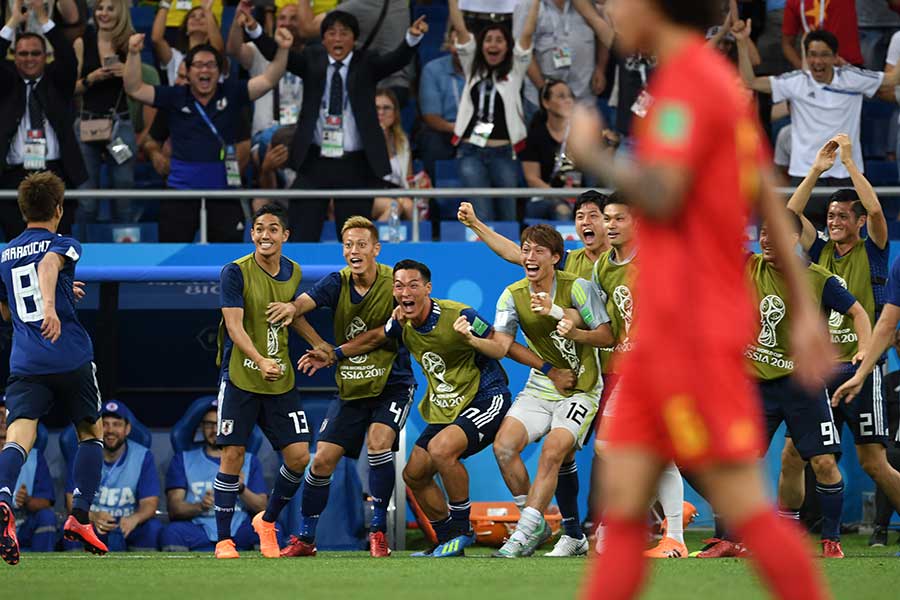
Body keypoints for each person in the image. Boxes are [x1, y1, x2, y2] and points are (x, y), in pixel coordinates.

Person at [566, 0, 834, 596]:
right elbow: (767, 194)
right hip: (671, 332)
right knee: (623, 506)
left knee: (742, 507)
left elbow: (661, 194)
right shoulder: (710, 79)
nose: (611, 13)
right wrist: (808, 311)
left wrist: (592, 155)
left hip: (686, 332)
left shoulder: (685, 83)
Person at [298, 259, 512, 558]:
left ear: (428, 288)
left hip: (486, 397)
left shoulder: (460, 314)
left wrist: (544, 368)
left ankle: (462, 528)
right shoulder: (401, 322)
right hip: (447, 407)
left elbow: (502, 346)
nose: (405, 291)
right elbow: (374, 337)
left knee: (440, 450)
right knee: (414, 475)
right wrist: (333, 355)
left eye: (413, 285)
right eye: (398, 286)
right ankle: (448, 538)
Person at [266, 216, 416, 558]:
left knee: (379, 444)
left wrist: (332, 354)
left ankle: (378, 531)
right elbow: (301, 307)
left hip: (393, 383)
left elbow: (383, 334)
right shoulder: (337, 282)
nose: (354, 251)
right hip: (352, 387)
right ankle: (305, 538)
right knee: (321, 462)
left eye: (361, 244)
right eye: (348, 245)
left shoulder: (396, 283)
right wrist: (296, 314)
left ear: (376, 249)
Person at [783, 135, 900, 543]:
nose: (833, 221)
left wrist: (849, 162)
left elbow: (876, 209)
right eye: (830, 215)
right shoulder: (818, 253)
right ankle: (789, 531)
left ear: (858, 222)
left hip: (863, 371)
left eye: (841, 216)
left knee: (873, 463)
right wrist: (816, 169)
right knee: (795, 453)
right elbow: (790, 214)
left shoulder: (875, 250)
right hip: (821, 373)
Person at [746, 215, 871, 558]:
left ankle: (831, 540)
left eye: (776, 234)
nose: (766, 240)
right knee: (739, 463)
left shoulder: (819, 279)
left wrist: (864, 347)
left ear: (796, 239)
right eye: (763, 232)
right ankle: (744, 538)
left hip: (803, 386)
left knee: (823, 464)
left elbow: (859, 313)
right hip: (756, 384)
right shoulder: (748, 266)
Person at [243, 9, 427, 241]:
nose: (338, 39)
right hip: (315, 161)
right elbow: (277, 53)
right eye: (332, 33)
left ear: (354, 39)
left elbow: (396, 60)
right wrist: (254, 29)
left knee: (355, 239)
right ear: (323, 39)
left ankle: (353, 278)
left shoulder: (367, 62)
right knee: (301, 233)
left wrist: (412, 37)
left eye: (344, 33)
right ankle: (298, 275)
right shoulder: (311, 59)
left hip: (356, 164)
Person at [0, 171, 108, 565]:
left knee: (19, 435)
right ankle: (80, 516)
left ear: (23, 209)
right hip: (69, 356)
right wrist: (50, 306)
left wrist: (60, 294)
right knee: (90, 433)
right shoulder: (63, 243)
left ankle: (3, 497)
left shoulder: (6, 252)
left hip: (27, 361)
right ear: (59, 209)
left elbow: (8, 306)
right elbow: (48, 263)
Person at [486, 225, 612, 557]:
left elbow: (606, 336)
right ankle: (539, 524)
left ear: (555, 258)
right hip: (541, 387)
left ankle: (524, 532)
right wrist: (549, 371)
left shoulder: (579, 289)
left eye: (539, 251)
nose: (529, 256)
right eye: (525, 249)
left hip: (582, 390)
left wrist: (575, 334)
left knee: (554, 451)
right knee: (503, 447)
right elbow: (502, 346)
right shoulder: (511, 295)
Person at [213, 204, 313, 560]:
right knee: (232, 454)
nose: (264, 235)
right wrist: (259, 360)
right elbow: (234, 326)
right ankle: (224, 540)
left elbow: (290, 315)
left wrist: (319, 344)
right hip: (241, 375)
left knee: (300, 457)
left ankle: (266, 520)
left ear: (286, 236)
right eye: (258, 229)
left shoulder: (294, 271)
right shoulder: (234, 272)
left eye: (272, 229)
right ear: (251, 234)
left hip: (280, 379)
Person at [124, 30, 290, 241]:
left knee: (228, 263)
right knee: (172, 264)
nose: (205, 69)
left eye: (211, 65)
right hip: (180, 193)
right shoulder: (175, 96)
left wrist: (283, 50)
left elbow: (268, 79)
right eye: (199, 65)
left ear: (219, 71)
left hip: (223, 194)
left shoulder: (231, 92)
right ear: (188, 70)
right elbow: (134, 88)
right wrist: (132, 53)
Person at [736, 28, 900, 226]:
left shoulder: (852, 78)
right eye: (812, 55)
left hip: (846, 176)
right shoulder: (795, 81)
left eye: (824, 55)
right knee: (804, 247)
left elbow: (893, 79)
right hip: (806, 175)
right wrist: (742, 42)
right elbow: (750, 81)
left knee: (847, 245)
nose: (818, 61)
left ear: (835, 57)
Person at [0, 0, 84, 241]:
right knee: (18, 249)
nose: (29, 59)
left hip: (55, 173)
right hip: (13, 176)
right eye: (23, 53)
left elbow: (68, 57)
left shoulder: (58, 83)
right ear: (13, 56)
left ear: (45, 56)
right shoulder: (5, 85)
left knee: (57, 248)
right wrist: (14, 21)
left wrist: (42, 17)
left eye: (35, 53)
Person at [449, 0, 539, 222]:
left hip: (504, 154)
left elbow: (527, 33)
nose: (493, 44)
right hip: (471, 152)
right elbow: (460, 28)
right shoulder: (472, 66)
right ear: (480, 46)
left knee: (508, 215)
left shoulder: (516, 69)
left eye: (499, 40)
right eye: (488, 40)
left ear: (507, 46)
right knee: (480, 216)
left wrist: (535, 2)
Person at [160, 400, 269, 552]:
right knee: (172, 532)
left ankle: (264, 575)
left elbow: (263, 507)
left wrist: (240, 488)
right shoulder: (183, 459)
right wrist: (200, 506)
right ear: (201, 427)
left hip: (239, 527)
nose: (214, 430)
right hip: (198, 527)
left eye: (220, 424)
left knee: (270, 528)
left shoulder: (249, 459)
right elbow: (174, 509)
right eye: (209, 424)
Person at [64, 401, 163, 552]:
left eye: (117, 424)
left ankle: (145, 574)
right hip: (92, 521)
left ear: (127, 429)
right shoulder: (82, 454)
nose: (110, 430)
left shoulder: (143, 456)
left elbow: (150, 503)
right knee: (73, 529)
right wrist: (92, 516)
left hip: (127, 523)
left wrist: (134, 519)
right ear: (96, 427)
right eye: (105, 424)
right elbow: (71, 500)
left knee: (152, 527)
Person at [73, 0, 138, 228]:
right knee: (86, 201)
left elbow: (136, 88)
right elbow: (72, 89)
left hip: (120, 125)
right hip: (88, 124)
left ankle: (128, 256)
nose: (104, 13)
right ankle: (79, 257)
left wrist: (126, 71)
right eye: (100, 8)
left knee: (124, 197)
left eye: (110, 8)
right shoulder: (82, 42)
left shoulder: (130, 43)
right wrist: (92, 78)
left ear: (119, 11)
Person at [458, 190, 610, 280]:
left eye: (593, 216)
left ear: (608, 220)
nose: (585, 222)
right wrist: (475, 223)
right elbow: (513, 253)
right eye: (580, 216)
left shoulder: (627, 262)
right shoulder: (567, 261)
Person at [226, 1, 303, 167]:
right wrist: (237, 20)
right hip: (263, 137)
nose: (287, 22)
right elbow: (234, 49)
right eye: (282, 18)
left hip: (299, 135)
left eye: (293, 18)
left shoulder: (312, 58)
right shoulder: (260, 51)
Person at [513, 0, 604, 115]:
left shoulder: (588, 3)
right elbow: (523, 51)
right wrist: (545, 92)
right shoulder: (528, 5)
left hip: (583, 98)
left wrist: (601, 67)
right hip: (542, 100)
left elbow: (602, 34)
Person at [0, 399, 56, 553]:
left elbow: (46, 501)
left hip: (22, 523)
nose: (4, 420)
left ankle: (44, 569)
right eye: (0, 415)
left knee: (47, 517)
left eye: (8, 414)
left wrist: (27, 501)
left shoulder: (34, 457)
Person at [520, 79, 580, 220]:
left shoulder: (581, 135)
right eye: (561, 96)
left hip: (579, 196)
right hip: (545, 196)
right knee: (562, 210)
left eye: (570, 96)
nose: (568, 101)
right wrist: (560, 196)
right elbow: (532, 178)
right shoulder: (536, 136)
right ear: (546, 103)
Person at [418, 25, 466, 186]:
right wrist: (458, 129)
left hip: (479, 131)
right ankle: (434, 205)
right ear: (448, 46)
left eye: (464, 43)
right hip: (445, 129)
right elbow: (431, 117)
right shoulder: (433, 69)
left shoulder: (485, 69)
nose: (459, 48)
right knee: (432, 142)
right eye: (454, 43)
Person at [152, 0, 223, 86]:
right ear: (186, 29)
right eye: (192, 16)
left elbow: (218, 48)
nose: (197, 18)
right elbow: (157, 39)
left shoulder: (214, 57)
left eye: (203, 16)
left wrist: (208, 11)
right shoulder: (175, 56)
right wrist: (165, 4)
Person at [372, 88, 413, 222]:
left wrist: (420, 184)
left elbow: (408, 179)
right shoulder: (362, 138)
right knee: (395, 206)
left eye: (387, 108)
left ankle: (418, 243)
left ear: (395, 113)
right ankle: (370, 240)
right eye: (376, 108)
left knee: (410, 206)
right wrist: (378, 141)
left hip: (397, 191)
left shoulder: (402, 140)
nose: (381, 113)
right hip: (370, 192)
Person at [782, 0, 862, 68]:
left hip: (849, 66)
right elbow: (787, 44)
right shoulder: (794, 2)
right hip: (818, 71)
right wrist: (805, 71)